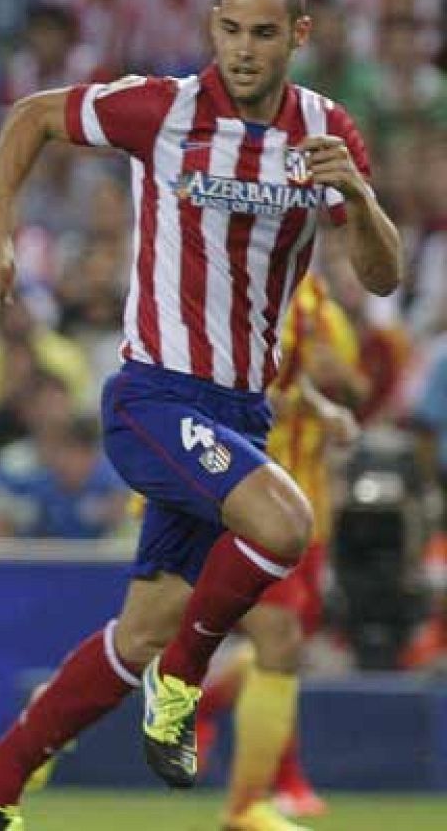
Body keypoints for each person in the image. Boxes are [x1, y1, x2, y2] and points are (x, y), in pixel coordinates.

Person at [0, 0, 403, 831]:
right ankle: (184, 682)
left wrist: (360, 196)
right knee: (284, 524)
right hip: (154, 395)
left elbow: (381, 278)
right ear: (211, 27)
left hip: (240, 411)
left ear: (298, 36)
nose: (242, 49)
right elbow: (36, 114)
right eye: (229, 29)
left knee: (144, 626)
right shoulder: (165, 108)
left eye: (264, 33)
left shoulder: (324, 131)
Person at [196, 274, 362, 829]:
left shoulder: (315, 295)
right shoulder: (236, 282)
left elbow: (338, 384)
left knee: (285, 640)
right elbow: (233, 389)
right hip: (247, 491)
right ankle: (267, 790)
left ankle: (210, 709)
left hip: (306, 499)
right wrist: (308, 401)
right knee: (276, 635)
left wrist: (331, 401)